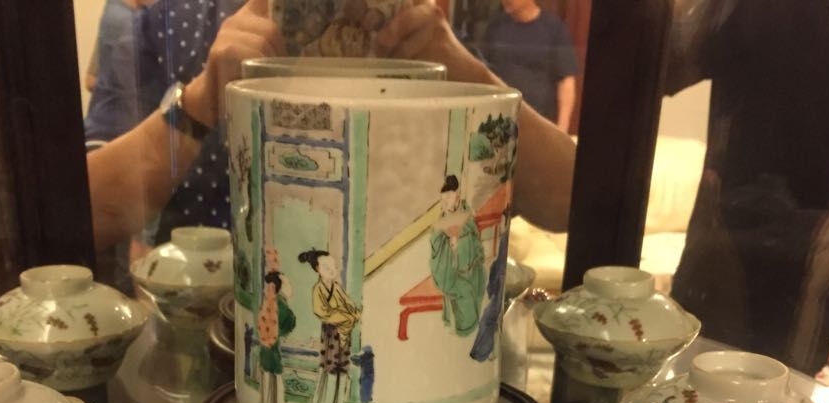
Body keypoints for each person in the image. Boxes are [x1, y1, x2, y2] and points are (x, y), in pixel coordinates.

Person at [87, 0, 577, 253]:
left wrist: (461, 71)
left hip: (394, 341)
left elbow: (569, 203)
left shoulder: (416, 28)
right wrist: (199, 102)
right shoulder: (175, 21)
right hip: (212, 335)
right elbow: (85, 214)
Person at [665, 0, 829, 375]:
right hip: (766, 245)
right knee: (744, 383)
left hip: (786, 249)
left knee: (706, 380)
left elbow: (660, 65)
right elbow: (664, 64)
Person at [480, 0, 580, 133]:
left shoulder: (554, 28)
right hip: (499, 121)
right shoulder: (495, 27)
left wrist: (562, 129)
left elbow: (566, 81)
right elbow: (483, 72)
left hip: (539, 123)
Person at [299, 249, 361, 403]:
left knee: (342, 368)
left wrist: (352, 315)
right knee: (330, 367)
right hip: (331, 334)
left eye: (333, 265)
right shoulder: (318, 289)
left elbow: (350, 305)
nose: (332, 269)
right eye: (326, 267)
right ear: (317, 269)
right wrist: (346, 317)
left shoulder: (337, 287)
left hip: (344, 333)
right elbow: (322, 312)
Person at [83, 0, 152, 147]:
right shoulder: (127, 23)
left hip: (96, 133)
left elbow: (90, 80)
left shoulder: (114, 12)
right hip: (117, 140)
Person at [430, 175, 486, 336]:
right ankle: (464, 329)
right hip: (452, 274)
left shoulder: (466, 214)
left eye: (450, 196)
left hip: (471, 267)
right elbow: (436, 248)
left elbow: (475, 238)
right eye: (444, 198)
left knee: (480, 282)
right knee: (465, 294)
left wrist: (477, 254)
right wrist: (451, 245)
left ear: (458, 195)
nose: (446, 202)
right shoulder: (441, 223)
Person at [256, 268, 296, 403]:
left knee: (266, 381)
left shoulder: (268, 302)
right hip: (272, 351)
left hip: (265, 349)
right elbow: (288, 324)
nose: (290, 287)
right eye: (287, 284)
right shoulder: (281, 305)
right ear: (281, 287)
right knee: (275, 383)